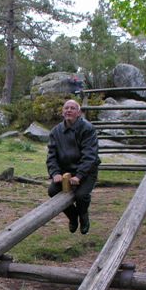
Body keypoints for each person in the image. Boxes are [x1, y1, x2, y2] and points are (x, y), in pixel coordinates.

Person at [46, 99, 100, 234]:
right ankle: (73, 216)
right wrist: (55, 173)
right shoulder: (55, 131)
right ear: (62, 112)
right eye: (66, 108)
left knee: (81, 195)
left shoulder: (88, 129)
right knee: (52, 191)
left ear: (79, 113)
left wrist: (79, 175)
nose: (69, 110)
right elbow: (51, 156)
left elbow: (90, 155)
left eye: (72, 108)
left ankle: (83, 215)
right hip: (66, 171)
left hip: (87, 171)